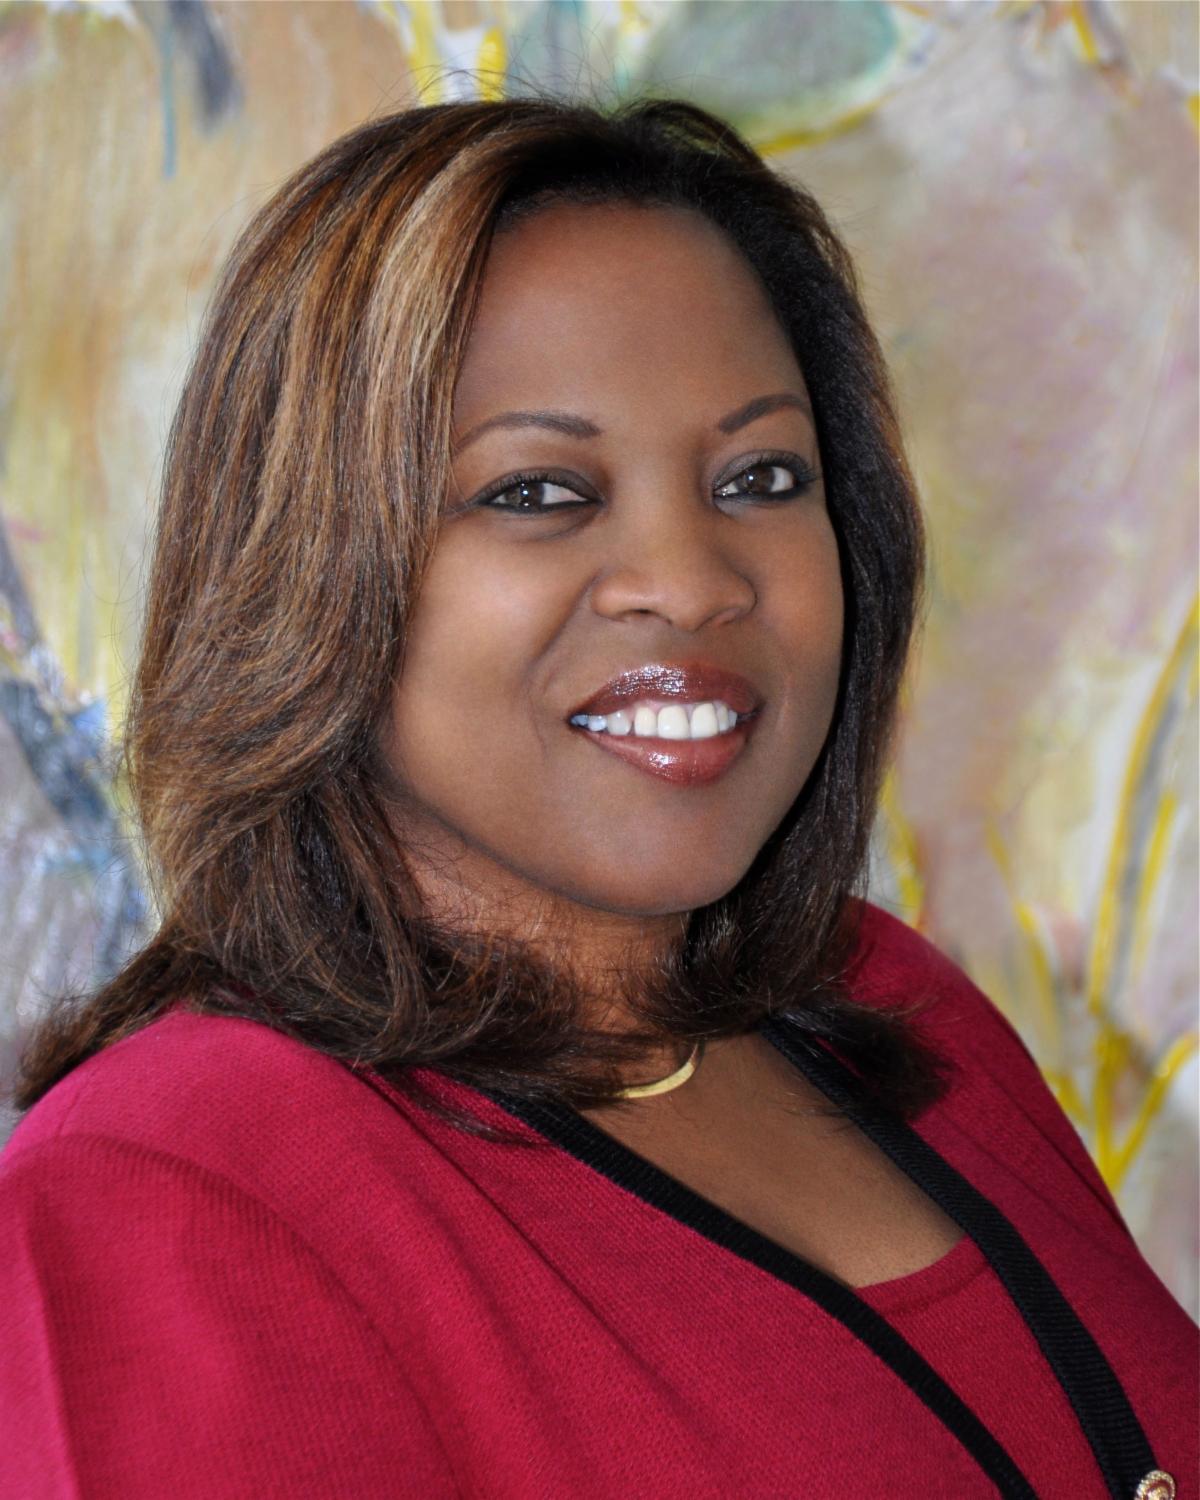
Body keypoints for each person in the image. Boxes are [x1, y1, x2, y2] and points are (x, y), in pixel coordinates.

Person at [0, 95, 1193, 1500]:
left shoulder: (892, 1012)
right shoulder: (174, 1192)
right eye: (538, 491)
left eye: (761, 475)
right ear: (311, 564)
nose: (691, 582)